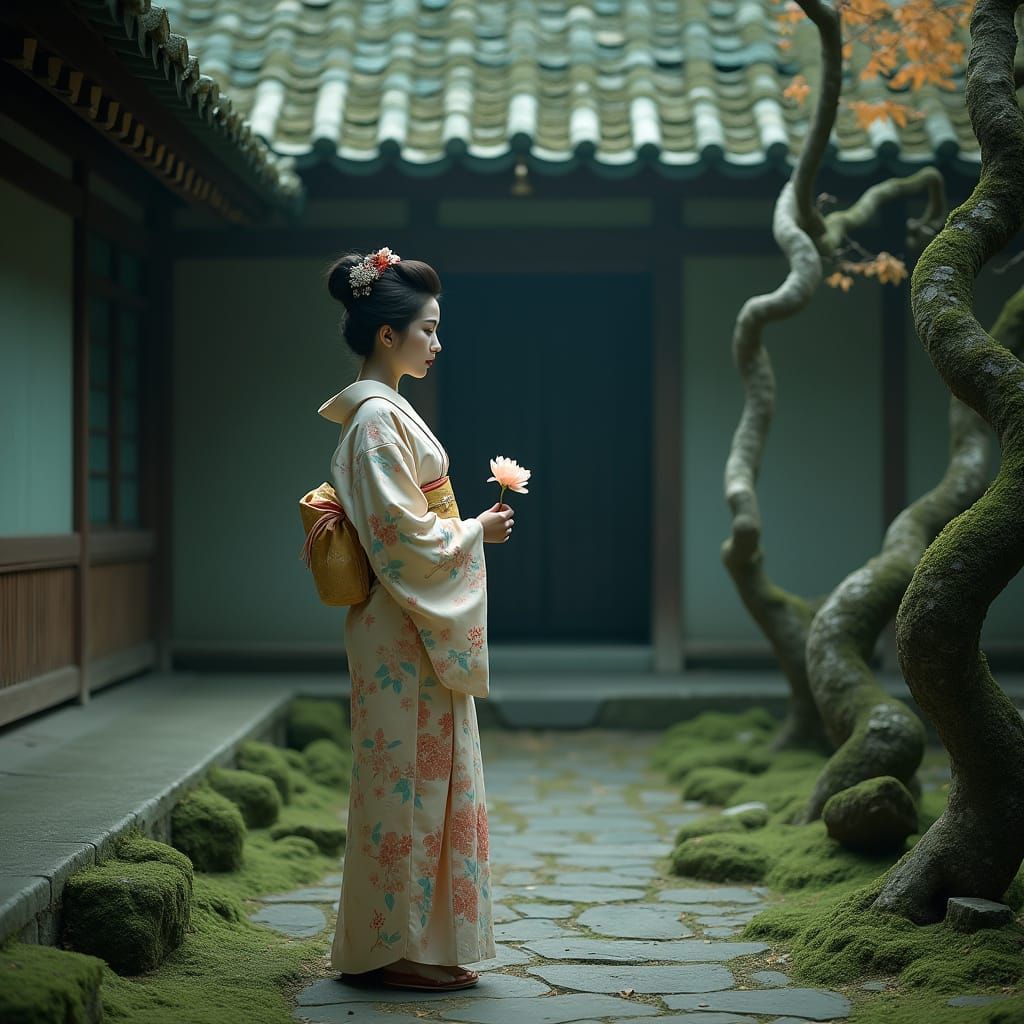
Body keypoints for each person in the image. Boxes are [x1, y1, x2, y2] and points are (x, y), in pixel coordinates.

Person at [317, 248, 514, 992]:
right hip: (402, 626)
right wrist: (474, 534)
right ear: (387, 335)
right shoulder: (375, 422)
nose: (436, 343)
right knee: (404, 781)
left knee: (428, 778)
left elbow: (405, 526)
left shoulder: (384, 415)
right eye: (427, 329)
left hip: (412, 626)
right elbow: (398, 535)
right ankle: (390, 948)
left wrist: (459, 530)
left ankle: (422, 941)